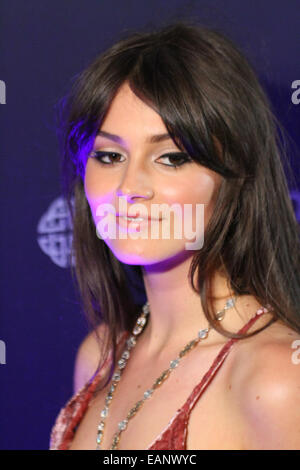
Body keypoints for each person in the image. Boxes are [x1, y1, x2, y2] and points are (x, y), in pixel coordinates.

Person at [49, 21, 300, 450]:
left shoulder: (279, 377)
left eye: (171, 157)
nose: (129, 188)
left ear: (236, 177)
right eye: (109, 156)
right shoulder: (100, 355)